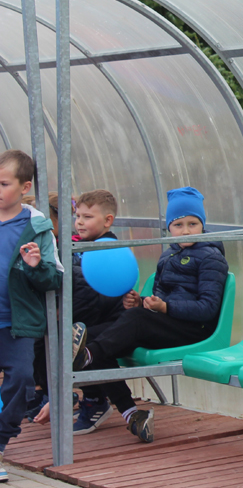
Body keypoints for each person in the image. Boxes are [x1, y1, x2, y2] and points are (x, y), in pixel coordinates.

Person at [73, 186, 229, 443]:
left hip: (194, 330)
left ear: (203, 225)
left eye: (193, 224)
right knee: (93, 339)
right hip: (167, 323)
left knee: (119, 331)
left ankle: (86, 357)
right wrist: (141, 301)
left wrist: (164, 308)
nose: (186, 231)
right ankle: (131, 414)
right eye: (178, 225)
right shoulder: (169, 254)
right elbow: (161, 296)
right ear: (169, 228)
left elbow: (208, 308)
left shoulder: (211, 258)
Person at [43, 190, 134, 433]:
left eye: (87, 217)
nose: (79, 222)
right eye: (78, 216)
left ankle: (98, 401)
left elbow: (100, 298)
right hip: (92, 318)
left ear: (108, 220)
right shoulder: (78, 247)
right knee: (58, 335)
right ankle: (50, 394)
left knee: (82, 342)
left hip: (115, 322)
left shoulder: (109, 250)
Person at [0, 149, 64, 481]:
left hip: (17, 323)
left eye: (3, 184)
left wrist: (36, 267)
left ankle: (0, 442)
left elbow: (55, 278)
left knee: (23, 380)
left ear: (25, 187)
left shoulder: (37, 227)